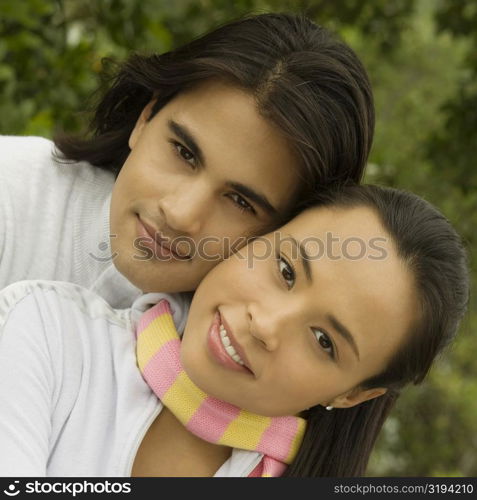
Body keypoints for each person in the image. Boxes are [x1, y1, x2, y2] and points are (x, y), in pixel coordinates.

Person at [0, 184, 469, 477]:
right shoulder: (50, 333)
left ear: (352, 395)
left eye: (324, 341)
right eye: (285, 270)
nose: (265, 325)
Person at [0, 13, 374, 308]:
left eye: (241, 202)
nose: (180, 214)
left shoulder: (247, 354)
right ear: (146, 117)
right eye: (184, 153)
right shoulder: (12, 189)